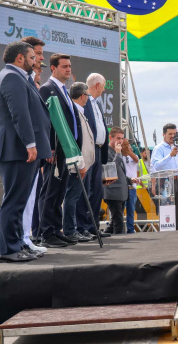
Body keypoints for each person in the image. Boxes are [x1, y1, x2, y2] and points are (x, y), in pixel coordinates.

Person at [0, 41, 52, 262]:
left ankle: (19, 244)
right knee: (14, 201)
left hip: (19, 149)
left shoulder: (17, 77)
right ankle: (9, 250)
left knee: (19, 202)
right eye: (32, 57)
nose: (35, 61)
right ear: (20, 58)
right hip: (16, 149)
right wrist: (30, 144)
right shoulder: (11, 77)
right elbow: (19, 113)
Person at [38, 53, 82, 247]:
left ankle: (56, 230)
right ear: (53, 68)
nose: (68, 69)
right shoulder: (47, 89)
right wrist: (49, 147)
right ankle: (46, 233)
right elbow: (45, 120)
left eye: (69, 66)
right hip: (54, 151)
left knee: (59, 193)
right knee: (49, 192)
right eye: (64, 66)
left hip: (66, 151)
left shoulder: (64, 90)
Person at [19, 35, 47, 251]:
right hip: (23, 149)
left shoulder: (30, 81)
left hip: (34, 150)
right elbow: (21, 115)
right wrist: (30, 144)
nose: (40, 59)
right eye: (37, 55)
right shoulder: (18, 79)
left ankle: (26, 239)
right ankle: (20, 241)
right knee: (22, 198)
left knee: (30, 199)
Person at [78, 72, 110, 239]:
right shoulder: (84, 103)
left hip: (98, 150)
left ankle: (93, 227)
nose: (103, 90)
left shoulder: (96, 104)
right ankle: (81, 227)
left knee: (97, 191)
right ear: (97, 85)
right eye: (103, 87)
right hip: (87, 150)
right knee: (85, 189)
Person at [64, 81, 95, 242]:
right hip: (78, 163)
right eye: (87, 95)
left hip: (83, 163)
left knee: (77, 197)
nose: (88, 98)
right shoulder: (74, 112)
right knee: (72, 196)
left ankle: (76, 228)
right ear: (83, 96)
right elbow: (76, 141)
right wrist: (80, 163)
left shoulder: (78, 111)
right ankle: (70, 230)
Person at [104, 128, 133, 234]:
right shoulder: (106, 152)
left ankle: (107, 234)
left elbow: (120, 172)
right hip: (113, 192)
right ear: (110, 138)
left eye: (122, 138)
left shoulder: (117, 152)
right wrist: (118, 153)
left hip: (121, 191)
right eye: (118, 138)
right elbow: (111, 170)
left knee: (114, 221)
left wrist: (130, 180)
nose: (120, 141)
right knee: (118, 221)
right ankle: (119, 238)